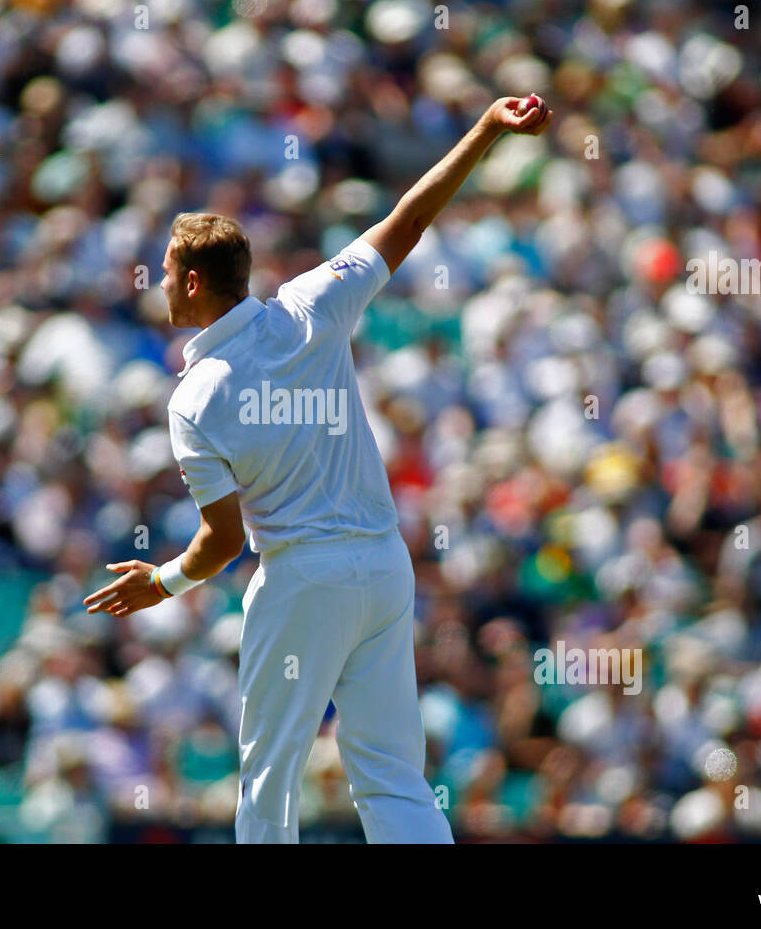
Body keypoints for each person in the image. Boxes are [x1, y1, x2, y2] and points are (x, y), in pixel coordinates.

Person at [84, 95, 554, 843]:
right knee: (394, 777)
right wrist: (489, 129)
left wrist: (162, 583)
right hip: (383, 565)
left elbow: (221, 544)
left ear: (195, 282)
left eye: (168, 273)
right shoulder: (311, 305)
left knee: (270, 774)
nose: (161, 284)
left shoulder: (195, 399)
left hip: (303, 576)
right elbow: (409, 218)